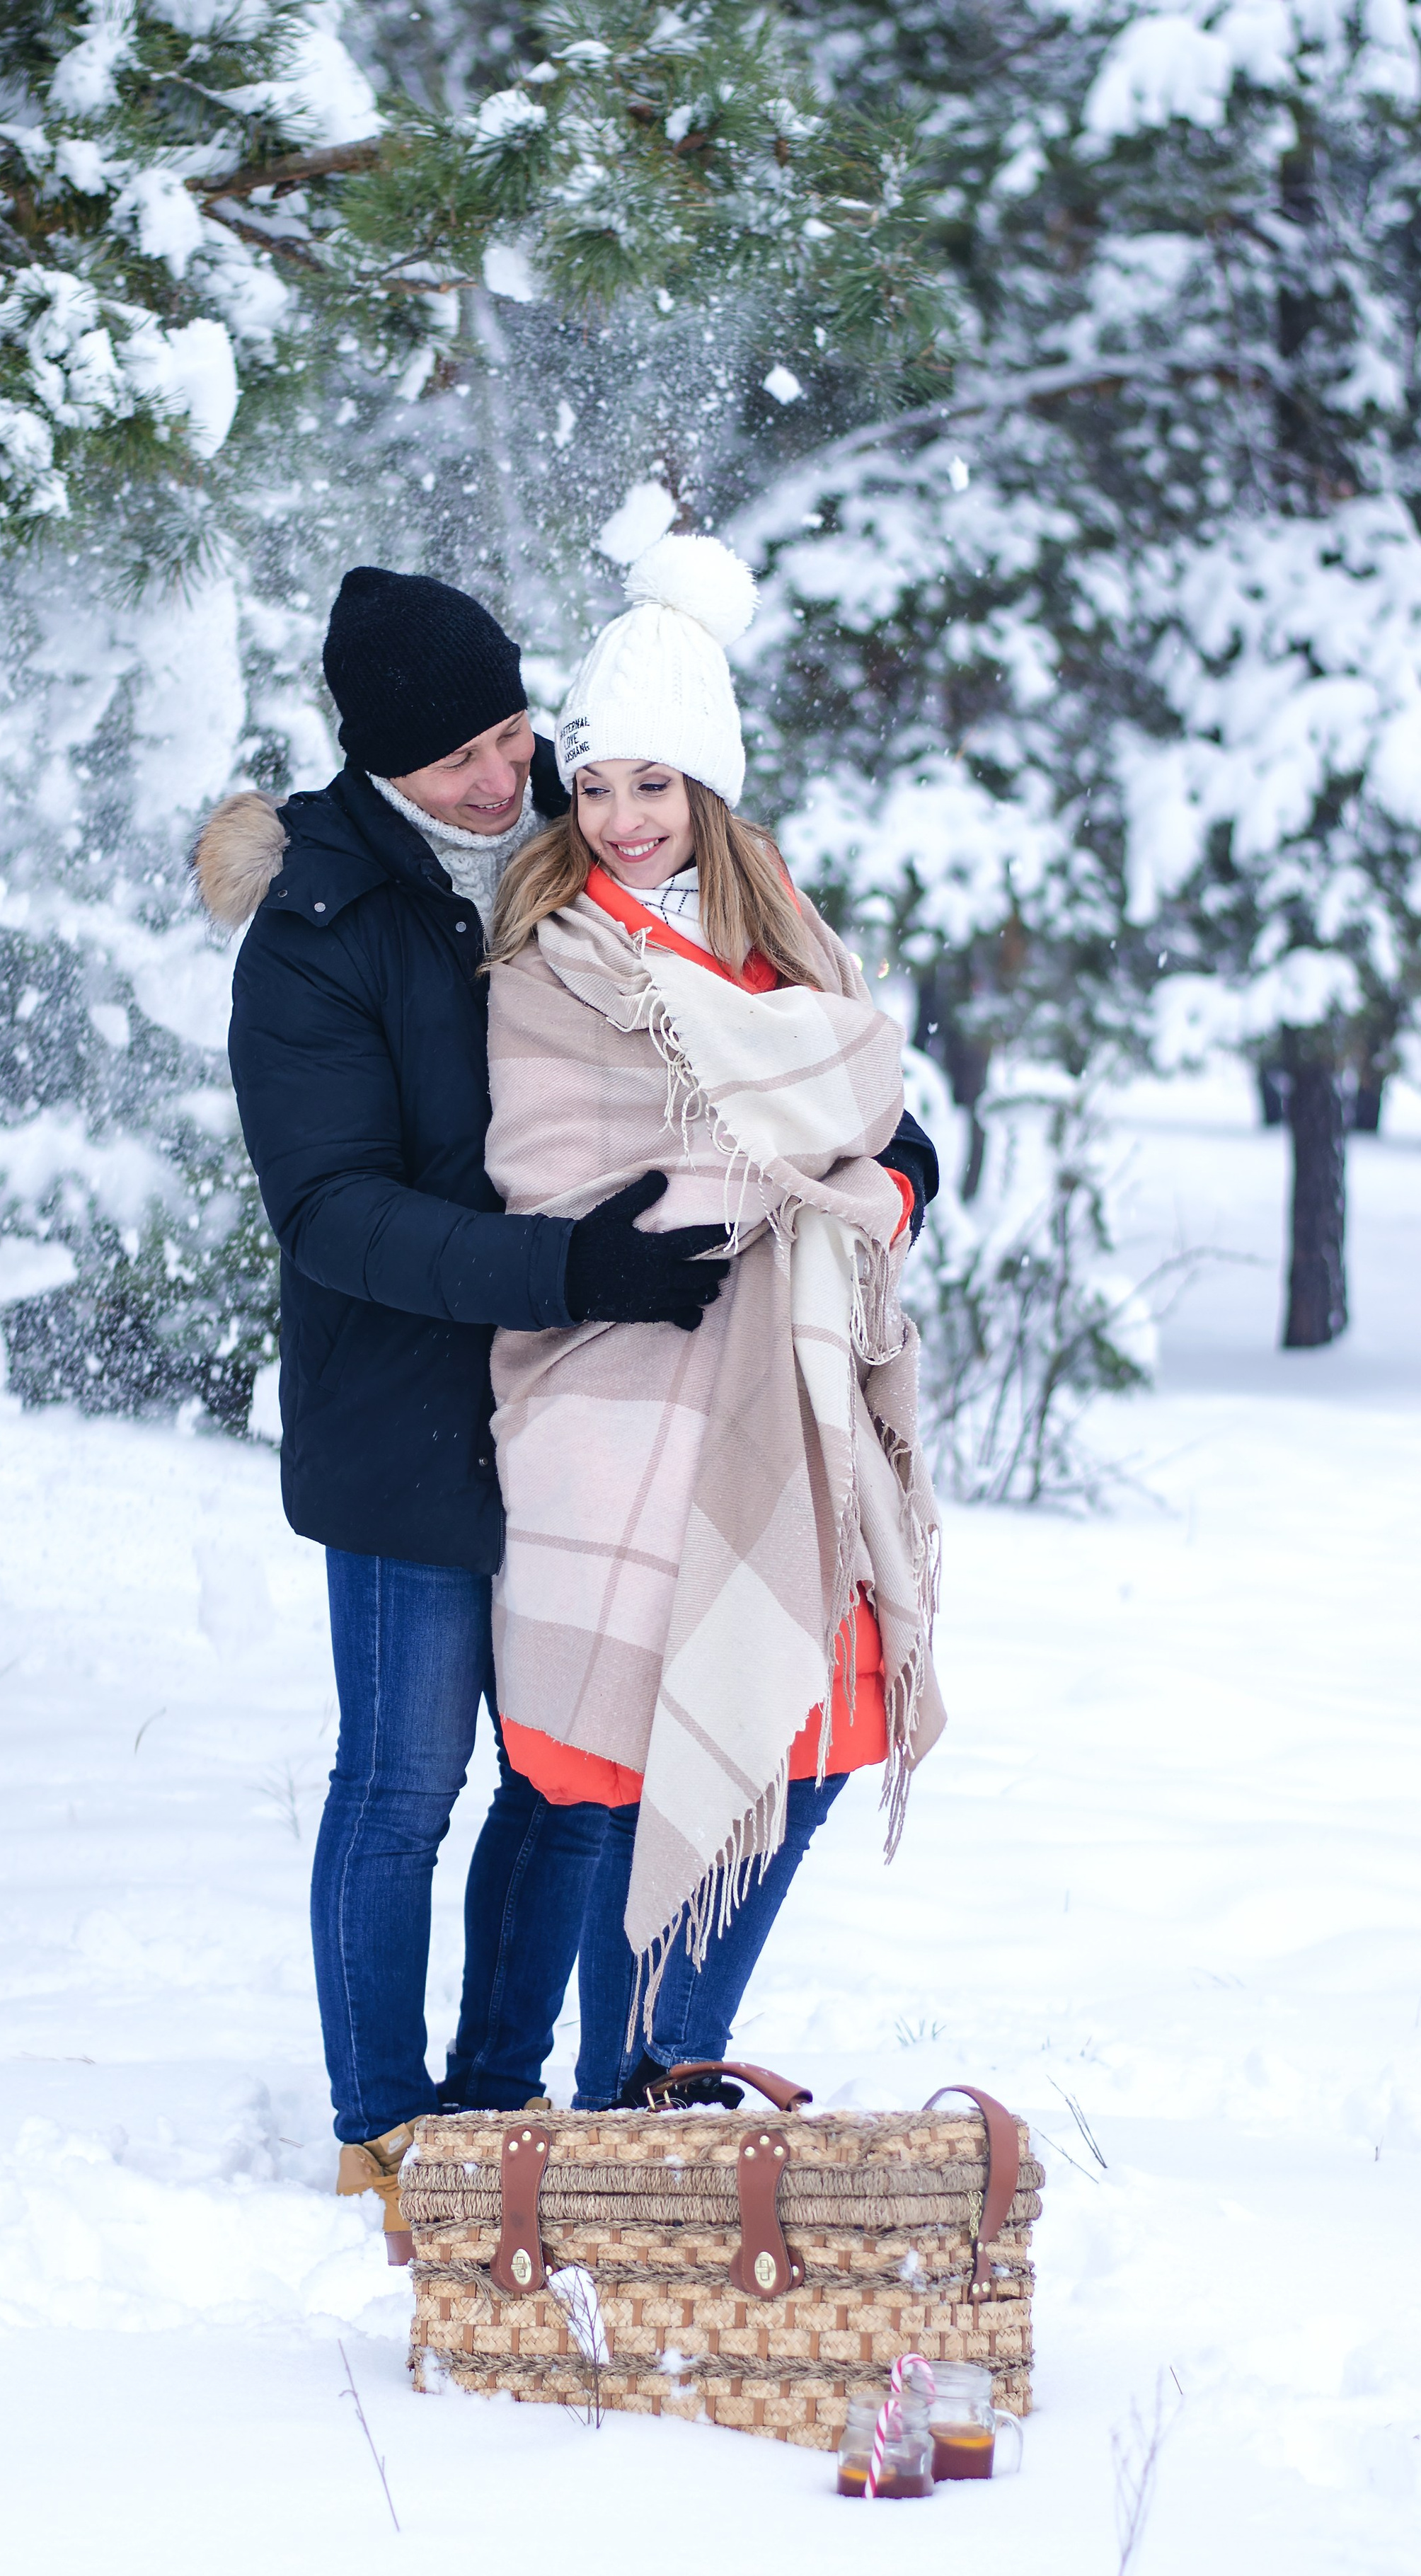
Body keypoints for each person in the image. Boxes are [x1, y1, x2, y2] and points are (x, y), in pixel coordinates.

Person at [195, 568, 737, 2257]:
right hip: (407, 1415)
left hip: (573, 1401)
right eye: (463, 763)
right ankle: (381, 2126)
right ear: (378, 764)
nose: (506, 783)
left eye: (518, 739)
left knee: (567, 1772)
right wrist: (566, 1268)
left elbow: (746, 1016)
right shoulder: (315, 929)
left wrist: (879, 1145)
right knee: (405, 1774)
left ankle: (499, 2104)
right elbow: (333, 1213)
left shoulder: (567, 857)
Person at [483, 534, 945, 2110]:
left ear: (711, 794)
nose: (615, 820)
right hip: (611, 1397)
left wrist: (880, 1178)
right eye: (593, 784)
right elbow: (563, 1166)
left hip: (778, 1406)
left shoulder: (782, 945)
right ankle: (616, 2092)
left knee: (806, 1736)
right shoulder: (554, 956)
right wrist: (838, 1169)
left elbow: (870, 1111)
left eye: (652, 786)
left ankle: (663, 2066)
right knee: (626, 1770)